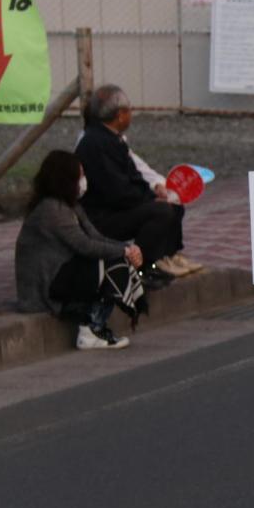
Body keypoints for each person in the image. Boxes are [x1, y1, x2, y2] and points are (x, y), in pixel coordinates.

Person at [15, 150, 145, 350]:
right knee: (110, 263)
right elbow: (85, 246)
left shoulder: (70, 206)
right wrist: (124, 252)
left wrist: (128, 248)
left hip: (62, 274)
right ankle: (91, 328)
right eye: (80, 176)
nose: (84, 181)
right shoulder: (52, 209)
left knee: (115, 257)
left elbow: (96, 237)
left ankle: (94, 326)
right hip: (44, 288)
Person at [75, 85, 191, 289]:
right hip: (101, 217)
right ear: (120, 115)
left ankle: (164, 258)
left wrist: (155, 189)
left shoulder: (110, 139)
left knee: (172, 203)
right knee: (160, 211)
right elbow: (116, 190)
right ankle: (139, 268)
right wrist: (149, 199)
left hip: (115, 207)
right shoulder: (95, 143)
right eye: (129, 110)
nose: (131, 114)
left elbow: (135, 174)